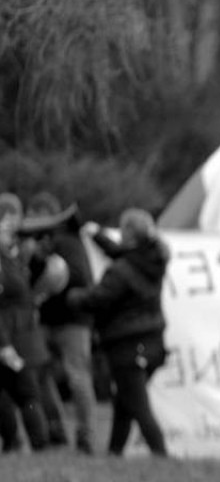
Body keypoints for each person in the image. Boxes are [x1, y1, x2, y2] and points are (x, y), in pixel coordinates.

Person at [66, 209, 169, 457]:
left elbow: (98, 298)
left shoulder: (122, 271)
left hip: (127, 345)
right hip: (152, 342)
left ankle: (161, 454)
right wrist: (98, 236)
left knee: (138, 406)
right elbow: (121, 253)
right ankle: (114, 453)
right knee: (125, 401)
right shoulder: (152, 259)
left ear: (128, 234)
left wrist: (72, 295)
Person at [20, 194, 98, 454]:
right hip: (45, 322)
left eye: (32, 214)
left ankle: (85, 437)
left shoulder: (68, 240)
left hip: (73, 323)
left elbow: (78, 277)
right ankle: (55, 431)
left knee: (78, 378)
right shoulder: (35, 244)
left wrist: (48, 264)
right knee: (40, 376)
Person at [0, 193, 50, 452]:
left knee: (27, 392)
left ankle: (36, 444)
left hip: (18, 336)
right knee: (21, 393)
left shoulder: (13, 257)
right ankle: (15, 443)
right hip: (10, 336)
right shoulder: (7, 259)